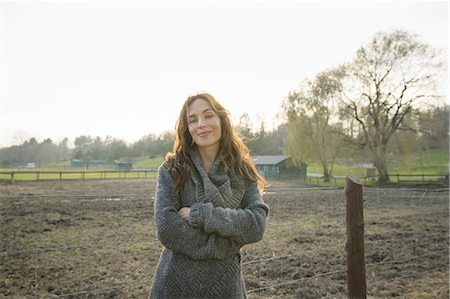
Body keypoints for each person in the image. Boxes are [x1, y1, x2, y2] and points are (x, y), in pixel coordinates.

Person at [149, 92, 269, 298]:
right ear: (187, 128)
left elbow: (256, 224)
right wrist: (223, 247)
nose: (201, 124)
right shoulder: (172, 170)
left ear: (221, 120)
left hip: (226, 286)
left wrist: (202, 215)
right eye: (192, 120)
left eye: (208, 115)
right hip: (175, 286)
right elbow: (167, 227)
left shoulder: (242, 171)